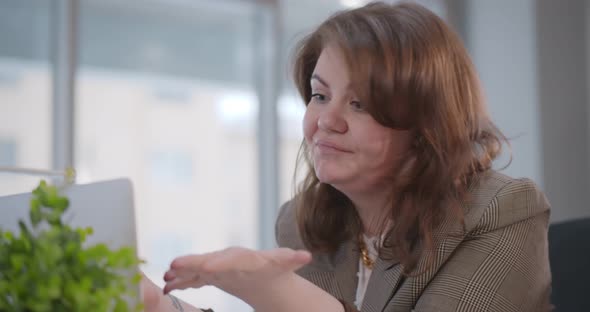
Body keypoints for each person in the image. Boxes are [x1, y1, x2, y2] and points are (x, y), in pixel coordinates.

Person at [142, 2, 553, 311]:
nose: (326, 121)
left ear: (426, 122)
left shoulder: (500, 211)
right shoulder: (301, 222)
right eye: (319, 96)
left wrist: (268, 288)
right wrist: (156, 305)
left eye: (359, 104)